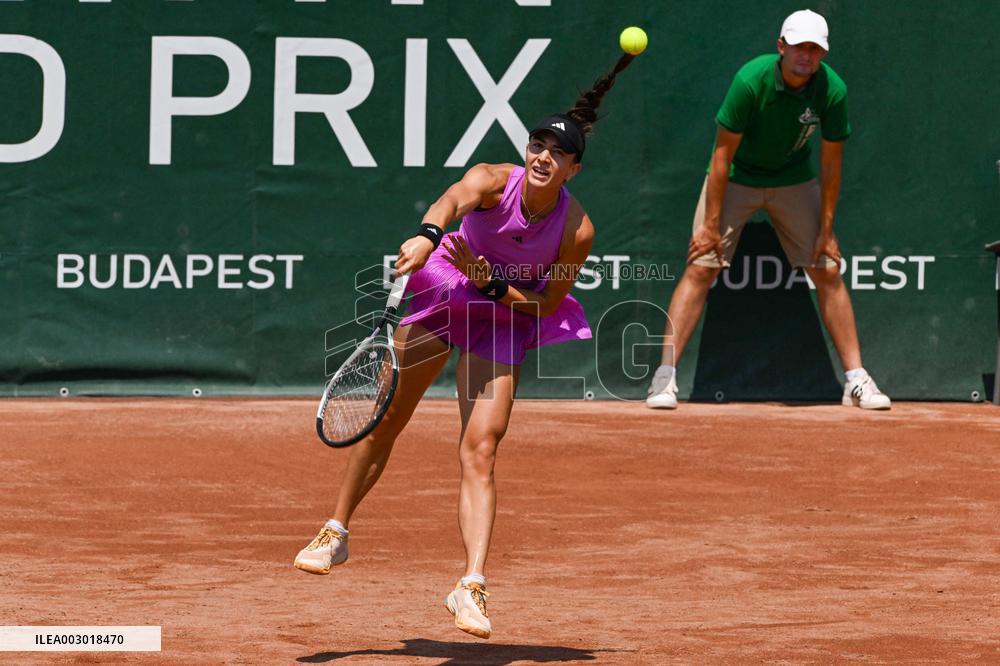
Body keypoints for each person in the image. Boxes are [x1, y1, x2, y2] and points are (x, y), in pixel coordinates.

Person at [294, 53, 638, 639]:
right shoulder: (492, 178)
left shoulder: (577, 231)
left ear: (573, 171)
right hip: (445, 295)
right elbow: (449, 203)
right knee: (384, 419)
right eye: (537, 145)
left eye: (556, 153)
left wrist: (493, 281)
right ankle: (336, 530)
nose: (542, 157)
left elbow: (546, 307)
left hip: (501, 317)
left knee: (483, 447)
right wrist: (427, 238)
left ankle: (471, 583)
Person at [646, 9, 891, 411]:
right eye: (799, 47)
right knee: (700, 265)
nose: (806, 56)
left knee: (827, 268)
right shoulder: (750, 81)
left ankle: (856, 380)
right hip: (737, 176)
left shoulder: (833, 91)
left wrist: (827, 229)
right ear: (782, 47)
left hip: (793, 179)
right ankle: (664, 377)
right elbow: (722, 155)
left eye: (815, 49)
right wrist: (709, 225)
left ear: (823, 53)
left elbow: (831, 164)